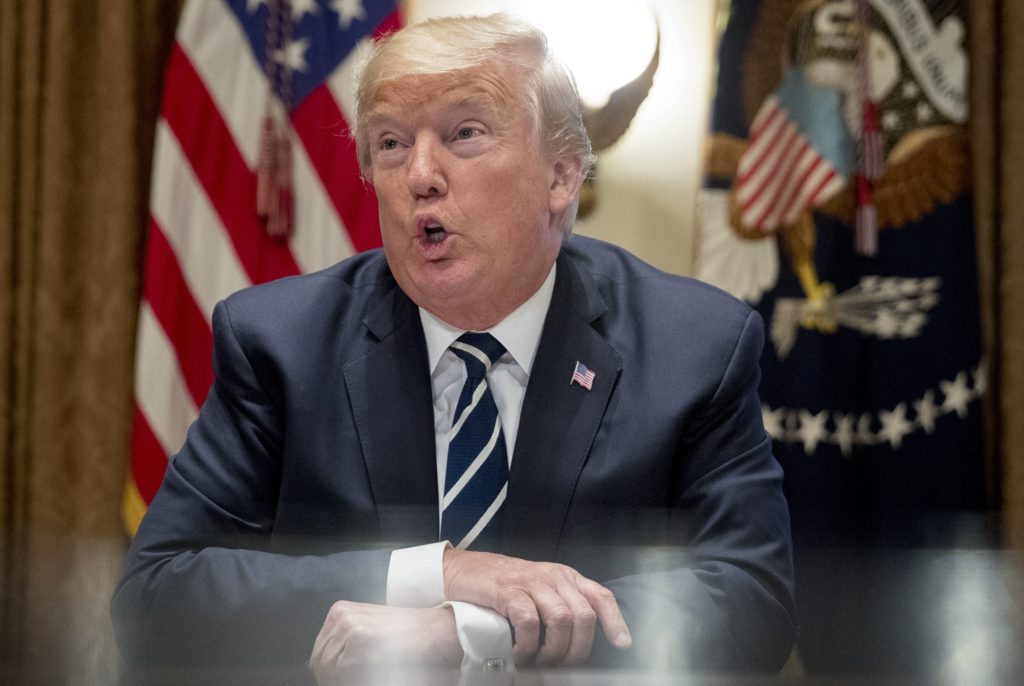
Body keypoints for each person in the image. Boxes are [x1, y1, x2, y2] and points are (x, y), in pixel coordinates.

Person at [112, 13, 796, 683]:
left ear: (560, 177)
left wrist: (472, 632)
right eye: (390, 143)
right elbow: (156, 594)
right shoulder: (282, 344)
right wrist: (434, 573)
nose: (420, 176)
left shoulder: (693, 346)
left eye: (464, 134)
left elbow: (751, 599)